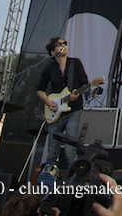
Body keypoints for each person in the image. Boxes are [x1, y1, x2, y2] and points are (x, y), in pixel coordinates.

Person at [35, 36, 89, 170]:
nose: (64, 45)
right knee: (52, 151)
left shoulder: (75, 63)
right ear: (53, 52)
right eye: (60, 44)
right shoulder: (50, 68)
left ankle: (74, 181)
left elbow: (86, 85)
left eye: (65, 43)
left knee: (70, 150)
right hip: (55, 112)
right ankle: (48, 180)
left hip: (73, 110)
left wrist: (77, 93)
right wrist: (48, 102)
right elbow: (40, 90)